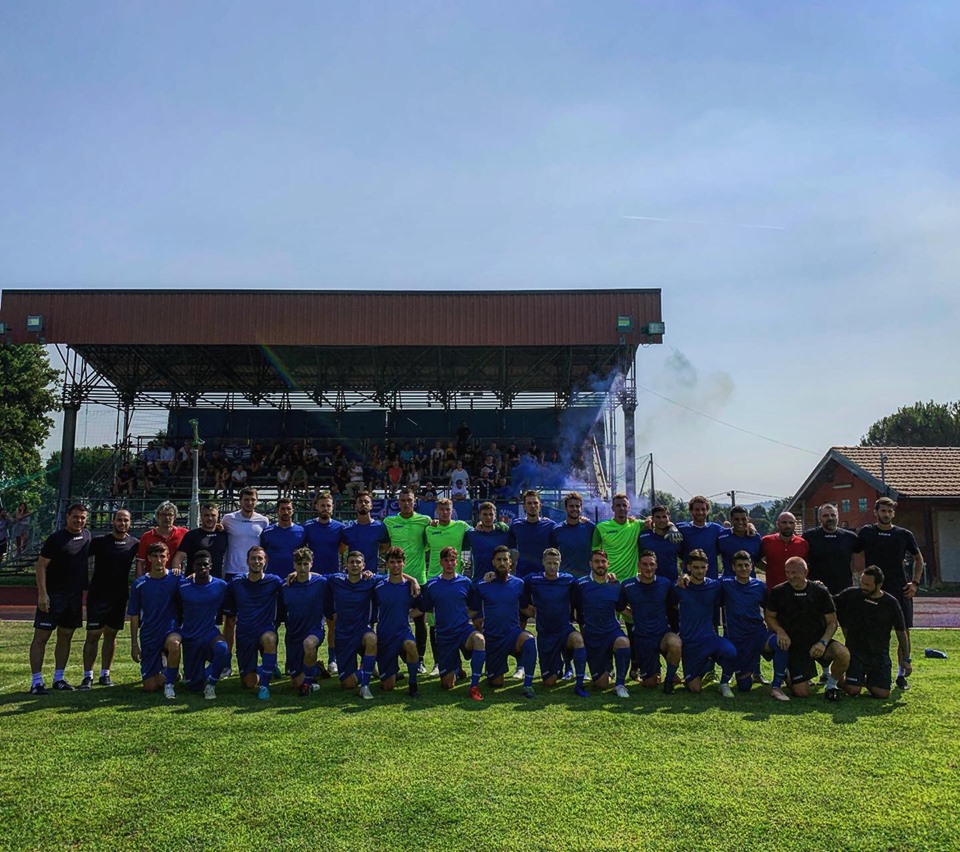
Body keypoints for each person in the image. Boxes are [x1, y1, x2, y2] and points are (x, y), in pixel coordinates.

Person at [856, 497, 923, 690]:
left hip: (899, 590)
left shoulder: (904, 534)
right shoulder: (866, 532)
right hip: (871, 591)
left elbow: (919, 559)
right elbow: (855, 554)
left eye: (889, 511)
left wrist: (915, 583)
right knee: (867, 631)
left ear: (893, 513)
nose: (886, 514)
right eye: (883, 511)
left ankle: (902, 674)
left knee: (903, 631)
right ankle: (866, 671)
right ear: (875, 512)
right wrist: (857, 577)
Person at [765, 556, 850, 701]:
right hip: (794, 645)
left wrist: (823, 642)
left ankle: (831, 686)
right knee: (801, 693)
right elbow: (769, 616)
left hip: (818, 642)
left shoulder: (820, 592)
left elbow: (832, 623)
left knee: (843, 654)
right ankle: (788, 672)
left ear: (805, 572)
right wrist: (780, 631)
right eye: (787, 573)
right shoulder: (778, 591)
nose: (790, 576)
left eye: (794, 573)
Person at [28, 504, 92, 694]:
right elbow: (41, 567)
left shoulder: (87, 536)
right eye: (75, 517)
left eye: (82, 518)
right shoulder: (55, 539)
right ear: (67, 517)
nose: (79, 521)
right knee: (41, 638)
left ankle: (59, 678)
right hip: (53, 596)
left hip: (74, 597)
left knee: (65, 637)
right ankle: (36, 682)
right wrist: (42, 594)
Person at [415, 546, 486, 700]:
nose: (449, 563)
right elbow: (423, 609)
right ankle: (456, 668)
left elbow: (474, 608)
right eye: (446, 560)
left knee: (479, 639)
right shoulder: (432, 584)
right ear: (440, 562)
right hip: (444, 636)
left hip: (463, 631)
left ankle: (474, 686)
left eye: (452, 560)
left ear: (457, 562)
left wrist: (461, 616)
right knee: (447, 685)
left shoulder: (465, 582)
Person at [720, 550, 791, 701]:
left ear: (752, 566)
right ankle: (740, 675)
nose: (743, 569)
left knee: (781, 643)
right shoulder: (725, 584)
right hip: (738, 638)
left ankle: (777, 686)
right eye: (739, 566)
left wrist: (778, 630)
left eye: (746, 565)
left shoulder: (760, 586)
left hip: (758, 634)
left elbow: (770, 610)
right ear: (733, 567)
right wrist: (684, 578)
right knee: (744, 687)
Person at [80, 509, 139, 689]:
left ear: (130, 523)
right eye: (119, 520)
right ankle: (87, 676)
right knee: (93, 635)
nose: (122, 523)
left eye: (126, 520)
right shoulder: (99, 542)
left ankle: (105, 674)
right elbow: (78, 557)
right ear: (113, 521)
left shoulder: (134, 543)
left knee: (111, 635)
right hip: (98, 595)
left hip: (119, 596)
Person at [835, 566, 910, 699]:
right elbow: (829, 601)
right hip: (856, 653)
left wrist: (906, 659)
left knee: (882, 694)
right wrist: (820, 588)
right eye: (862, 583)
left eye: (867, 584)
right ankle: (839, 677)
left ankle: (868, 680)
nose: (863, 586)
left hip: (879, 654)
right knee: (853, 690)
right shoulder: (851, 594)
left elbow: (901, 632)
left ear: (879, 585)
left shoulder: (890, 603)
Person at [523, 547, 589, 696]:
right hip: (546, 634)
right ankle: (560, 665)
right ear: (543, 563)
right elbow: (519, 596)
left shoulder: (569, 580)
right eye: (549, 563)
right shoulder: (533, 580)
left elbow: (583, 593)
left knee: (578, 640)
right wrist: (532, 612)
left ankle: (579, 684)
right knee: (549, 682)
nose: (552, 567)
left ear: (560, 563)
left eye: (556, 563)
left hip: (564, 630)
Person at [475, 546, 538, 698]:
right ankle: (494, 670)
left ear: (511, 563)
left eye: (505, 560)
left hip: (512, 635)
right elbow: (474, 613)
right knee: (496, 683)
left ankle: (528, 685)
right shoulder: (482, 585)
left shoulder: (519, 584)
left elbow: (525, 609)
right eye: (499, 560)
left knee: (529, 640)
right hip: (493, 639)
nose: (502, 563)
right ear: (493, 563)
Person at [222, 546, 283, 700]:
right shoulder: (236, 583)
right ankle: (269, 666)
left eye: (260, 558)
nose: (256, 561)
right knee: (249, 683)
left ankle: (265, 686)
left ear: (265, 561)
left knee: (269, 638)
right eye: (253, 558)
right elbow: (229, 614)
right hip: (245, 634)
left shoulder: (274, 582)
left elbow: (293, 584)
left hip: (265, 630)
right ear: (247, 561)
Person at [617, 550, 682, 694]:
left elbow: (675, 605)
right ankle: (654, 670)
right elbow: (620, 607)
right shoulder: (628, 585)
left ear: (656, 565)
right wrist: (636, 617)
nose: (648, 568)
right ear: (639, 565)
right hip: (643, 638)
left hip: (662, 633)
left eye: (651, 564)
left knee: (675, 643)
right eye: (645, 564)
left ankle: (669, 680)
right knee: (650, 683)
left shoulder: (664, 583)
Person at [674, 549, 737, 697]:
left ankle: (724, 683)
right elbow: (670, 605)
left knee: (731, 653)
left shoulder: (715, 586)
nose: (700, 571)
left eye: (703, 567)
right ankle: (703, 666)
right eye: (695, 567)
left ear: (707, 567)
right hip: (690, 642)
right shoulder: (679, 587)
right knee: (695, 688)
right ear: (688, 567)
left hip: (710, 637)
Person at [382, 487, 433, 671]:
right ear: (398, 502)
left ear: (414, 502)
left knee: (421, 620)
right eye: (402, 500)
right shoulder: (389, 522)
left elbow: (428, 546)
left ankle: (419, 660)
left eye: (409, 500)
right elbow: (386, 548)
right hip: (396, 581)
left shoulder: (425, 521)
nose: (406, 504)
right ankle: (393, 659)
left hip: (419, 579)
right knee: (394, 621)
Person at [572, 550, 632, 697]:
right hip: (593, 636)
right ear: (590, 564)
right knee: (601, 684)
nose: (600, 565)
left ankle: (620, 684)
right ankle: (607, 667)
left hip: (612, 632)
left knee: (623, 642)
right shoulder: (581, 584)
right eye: (597, 561)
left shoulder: (615, 585)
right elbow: (575, 611)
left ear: (608, 564)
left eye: (603, 562)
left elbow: (622, 608)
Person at [127, 542, 182, 699]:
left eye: (162, 556)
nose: (159, 560)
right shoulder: (140, 584)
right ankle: (169, 671)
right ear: (149, 558)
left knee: (174, 644)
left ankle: (170, 683)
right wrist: (134, 644)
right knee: (150, 686)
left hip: (170, 630)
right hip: (149, 633)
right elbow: (134, 614)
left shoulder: (176, 579)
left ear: (168, 558)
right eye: (155, 556)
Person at [324, 551, 379, 699]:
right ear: (346, 565)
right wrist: (295, 574)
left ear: (364, 565)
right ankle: (366, 671)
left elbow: (394, 576)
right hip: (343, 635)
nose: (355, 565)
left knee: (372, 638)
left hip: (361, 631)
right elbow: (315, 577)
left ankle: (365, 685)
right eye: (352, 562)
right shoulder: (336, 580)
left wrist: (412, 580)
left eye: (358, 562)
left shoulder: (370, 580)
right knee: (347, 684)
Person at [177, 550, 230, 699]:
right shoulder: (182, 585)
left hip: (209, 634)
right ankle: (196, 677)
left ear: (211, 566)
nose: (202, 568)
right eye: (199, 565)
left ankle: (211, 683)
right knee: (194, 686)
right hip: (190, 637)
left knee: (222, 649)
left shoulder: (221, 585)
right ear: (192, 566)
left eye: (205, 565)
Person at [281, 547, 330, 696]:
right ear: (294, 565)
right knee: (296, 682)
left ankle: (308, 683)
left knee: (309, 644)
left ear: (311, 564)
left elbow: (345, 576)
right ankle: (316, 669)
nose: (302, 568)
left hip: (314, 630)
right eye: (299, 564)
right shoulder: (285, 586)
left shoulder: (321, 583)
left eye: (306, 563)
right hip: (294, 634)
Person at [374, 547, 421, 697]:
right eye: (392, 562)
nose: (396, 565)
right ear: (387, 564)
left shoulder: (411, 587)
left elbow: (422, 609)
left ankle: (413, 684)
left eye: (399, 562)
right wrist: (412, 578)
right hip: (385, 636)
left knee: (411, 645)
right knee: (388, 687)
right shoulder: (378, 584)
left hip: (402, 632)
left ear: (404, 563)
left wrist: (408, 615)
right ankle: (392, 672)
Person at [221, 488, 271, 583]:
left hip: (255, 570)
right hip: (232, 570)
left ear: (257, 501)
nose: (250, 503)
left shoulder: (263, 521)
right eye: (246, 500)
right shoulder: (228, 519)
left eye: (253, 500)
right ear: (240, 501)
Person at [591, 493, 641, 582]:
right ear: (612, 508)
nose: (621, 508)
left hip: (630, 581)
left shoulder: (637, 525)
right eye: (618, 505)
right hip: (609, 579)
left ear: (629, 508)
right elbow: (595, 555)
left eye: (624, 505)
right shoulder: (601, 527)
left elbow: (655, 521)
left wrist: (671, 526)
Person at [509, 490, 558, 579]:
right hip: (522, 575)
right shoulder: (516, 525)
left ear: (540, 506)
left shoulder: (550, 526)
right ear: (524, 506)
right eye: (529, 503)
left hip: (544, 576)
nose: (532, 506)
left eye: (535, 503)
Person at [173, 503, 229, 579]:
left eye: (213, 515)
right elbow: (178, 557)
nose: (210, 518)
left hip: (216, 581)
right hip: (194, 581)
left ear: (218, 517)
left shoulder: (223, 534)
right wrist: (176, 575)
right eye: (206, 515)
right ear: (201, 517)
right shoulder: (192, 535)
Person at [549, 492, 596, 579]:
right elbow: (552, 555)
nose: (575, 509)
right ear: (566, 508)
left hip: (586, 579)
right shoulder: (557, 530)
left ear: (581, 508)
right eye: (571, 506)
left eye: (577, 506)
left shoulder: (590, 527)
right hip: (564, 579)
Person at [135, 501, 188, 577]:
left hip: (175, 579)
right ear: (158, 516)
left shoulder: (184, 534)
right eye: (163, 514)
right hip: (153, 579)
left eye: (170, 514)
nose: (167, 518)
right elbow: (140, 562)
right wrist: (139, 583)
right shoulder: (147, 536)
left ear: (174, 516)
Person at [678, 496, 726, 578]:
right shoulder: (682, 528)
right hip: (689, 581)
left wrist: (750, 525)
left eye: (703, 509)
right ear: (691, 511)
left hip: (711, 580)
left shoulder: (716, 529)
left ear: (707, 511)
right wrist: (671, 526)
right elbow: (665, 526)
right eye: (697, 509)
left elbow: (733, 532)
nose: (700, 512)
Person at [760, 512, 809, 589]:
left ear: (795, 524)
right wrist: (770, 569)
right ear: (777, 524)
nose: (788, 526)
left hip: (797, 590)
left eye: (791, 523)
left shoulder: (803, 543)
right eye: (784, 522)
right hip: (773, 590)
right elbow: (756, 560)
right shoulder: (766, 541)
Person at [424, 498, 471, 580]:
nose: (445, 512)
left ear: (452, 511)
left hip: (454, 578)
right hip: (433, 577)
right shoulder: (429, 529)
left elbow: (478, 531)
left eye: (447, 509)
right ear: (437, 511)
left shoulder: (461, 526)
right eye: (441, 509)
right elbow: (424, 548)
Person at [260, 497, 306, 580]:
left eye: (288, 509)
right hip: (271, 578)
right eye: (283, 509)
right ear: (277, 510)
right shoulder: (267, 532)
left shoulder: (301, 531)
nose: (286, 512)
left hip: (295, 577)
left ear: (293, 511)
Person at [342, 491, 388, 574]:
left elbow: (386, 547)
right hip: (352, 576)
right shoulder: (348, 529)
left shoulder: (380, 527)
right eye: (360, 502)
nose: (363, 504)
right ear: (355, 506)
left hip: (372, 576)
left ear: (371, 506)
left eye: (366, 502)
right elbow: (341, 550)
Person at [463, 502, 510, 581]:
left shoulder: (504, 532)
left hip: (500, 581)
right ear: (480, 516)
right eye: (485, 514)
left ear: (495, 516)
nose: (488, 517)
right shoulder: (471, 535)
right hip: (478, 581)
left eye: (491, 514)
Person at [718, 506, 763, 577]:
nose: (740, 522)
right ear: (731, 519)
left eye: (743, 519)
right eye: (736, 519)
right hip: (728, 584)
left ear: (748, 519)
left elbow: (758, 561)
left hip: (749, 583)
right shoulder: (722, 536)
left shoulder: (755, 537)